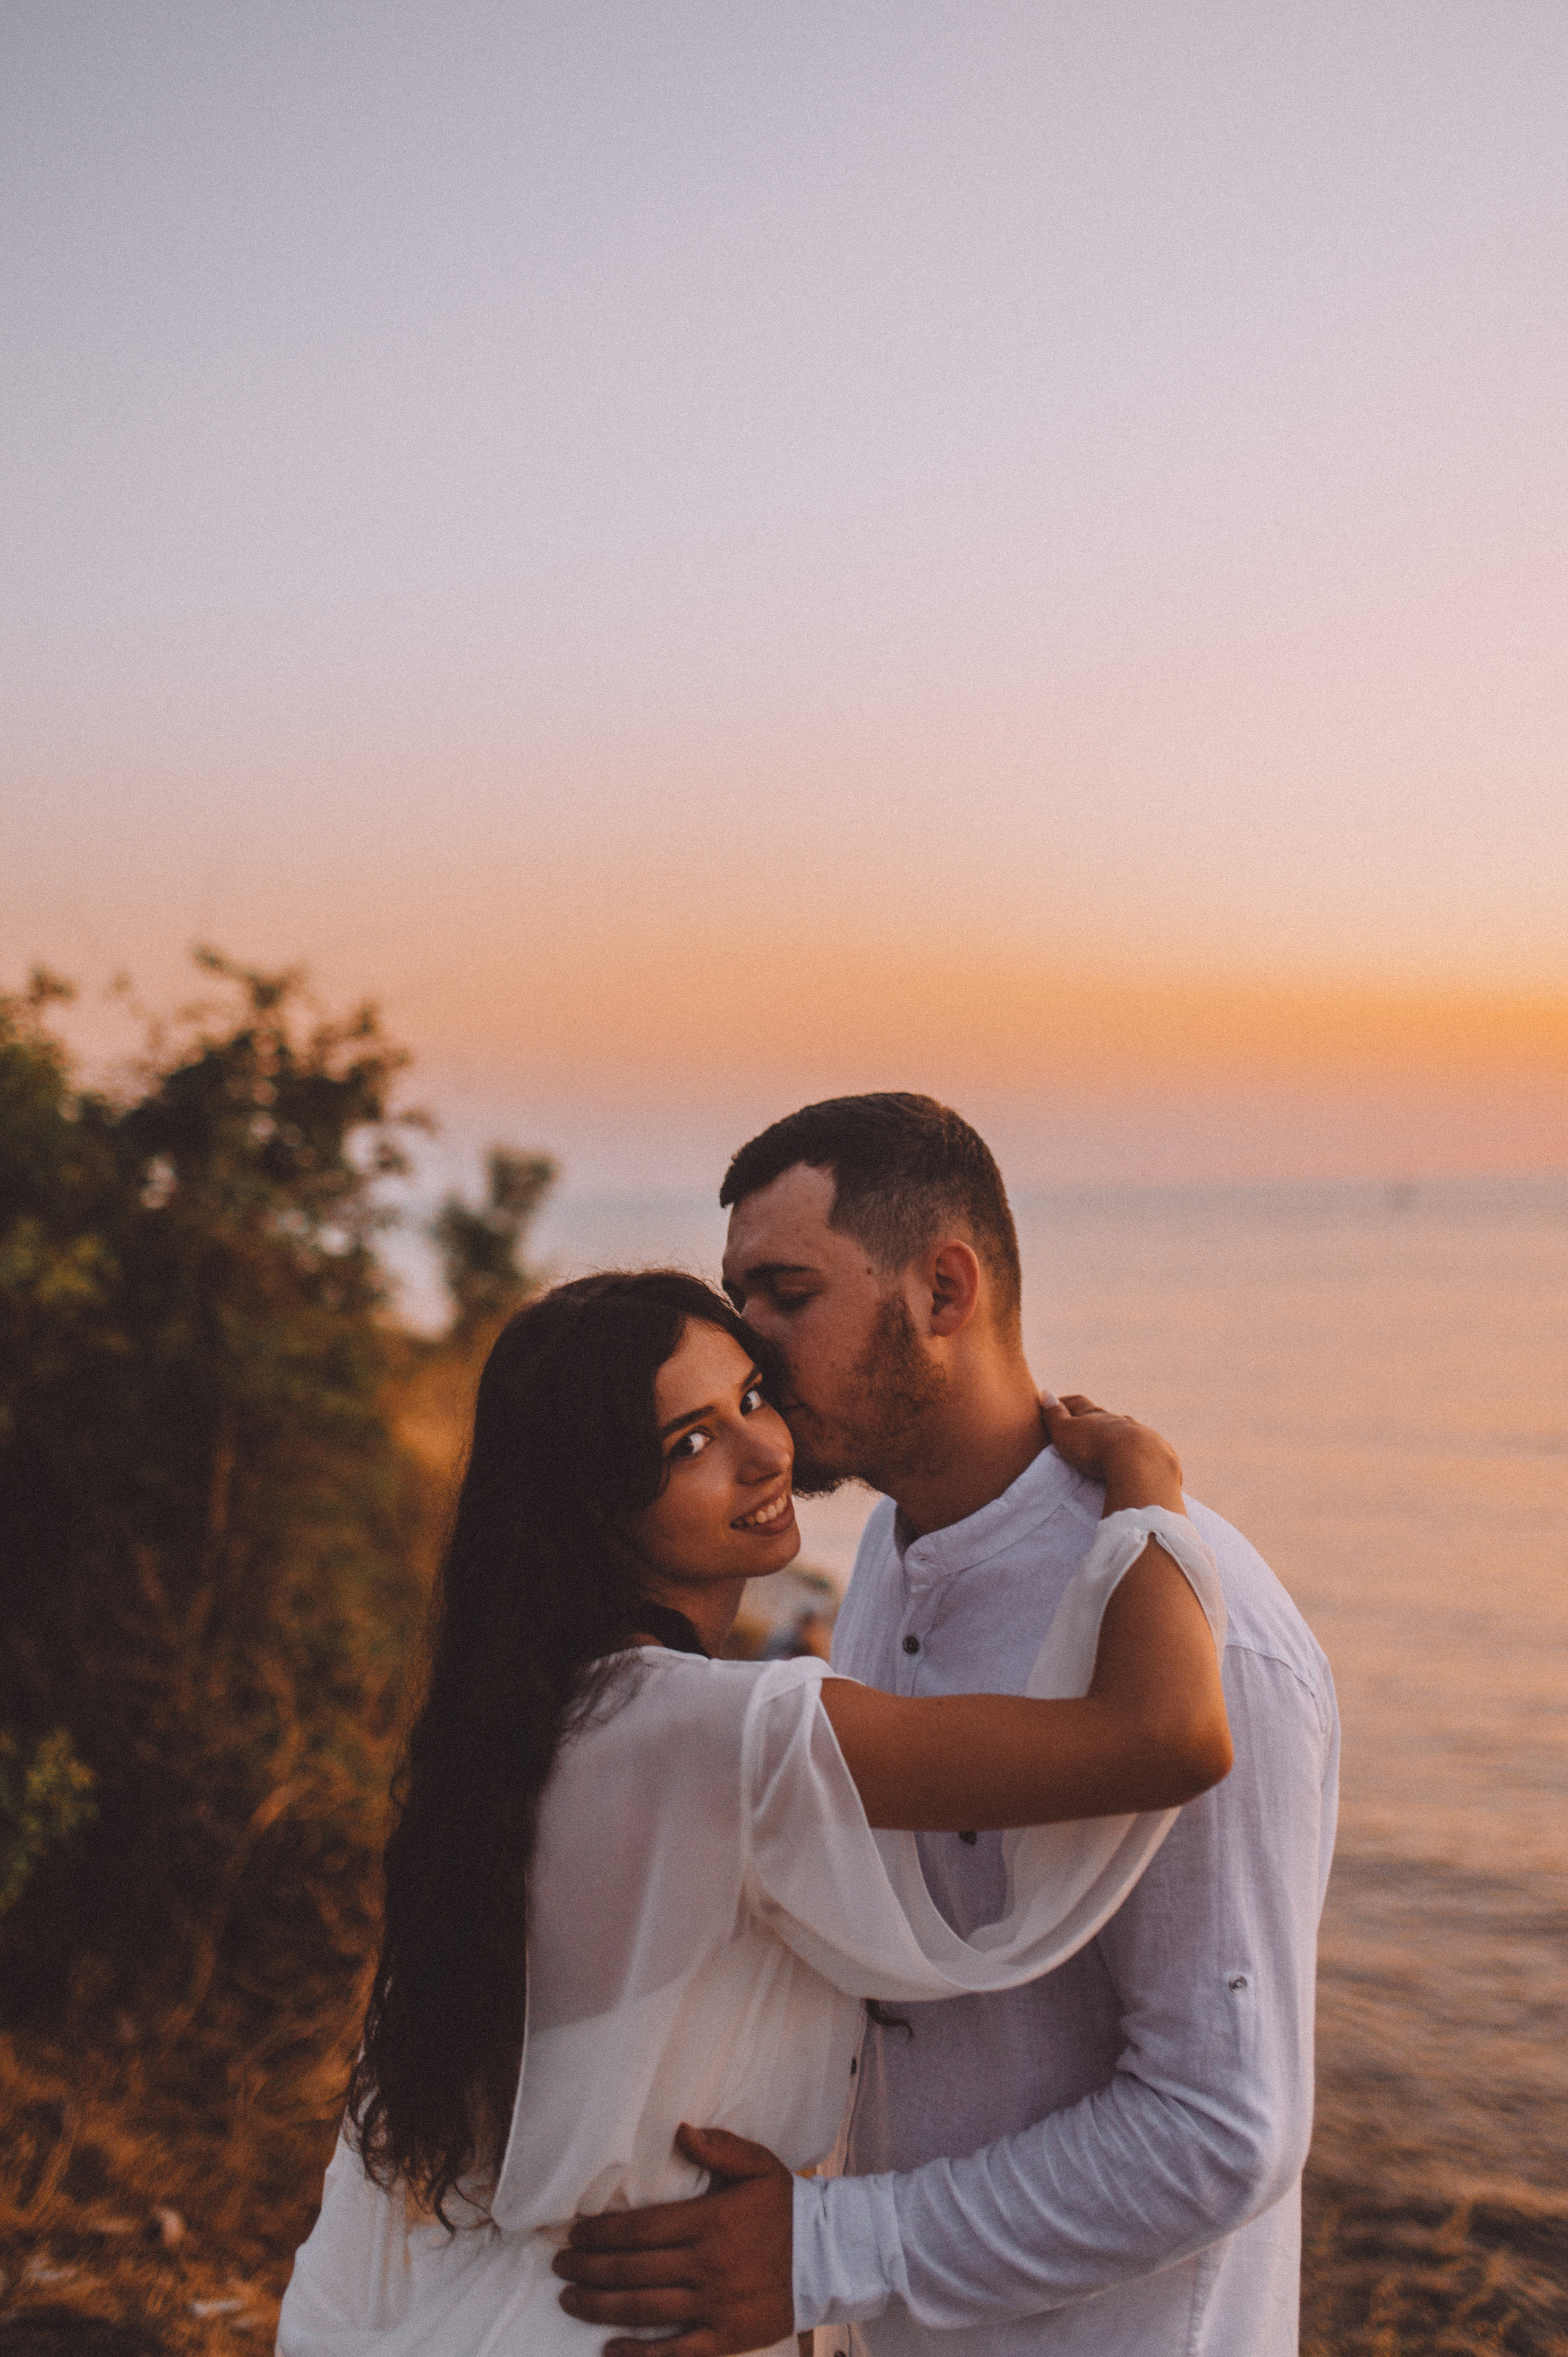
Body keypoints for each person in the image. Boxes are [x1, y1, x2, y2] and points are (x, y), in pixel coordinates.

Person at [278, 1268, 1231, 2357]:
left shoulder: (531, 1723)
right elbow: (1169, 1736)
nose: (768, 1449)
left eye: (752, 1396)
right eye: (689, 1444)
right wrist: (1150, 1487)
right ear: (595, 1505)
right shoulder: (723, 1733)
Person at [556, 1097, 1340, 2357]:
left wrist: (826, 2247)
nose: (742, 1343)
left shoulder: (1206, 1639)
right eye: (733, 1298)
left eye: (783, 1292)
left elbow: (1220, 2126)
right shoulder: (881, 1552)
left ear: (942, 1288)